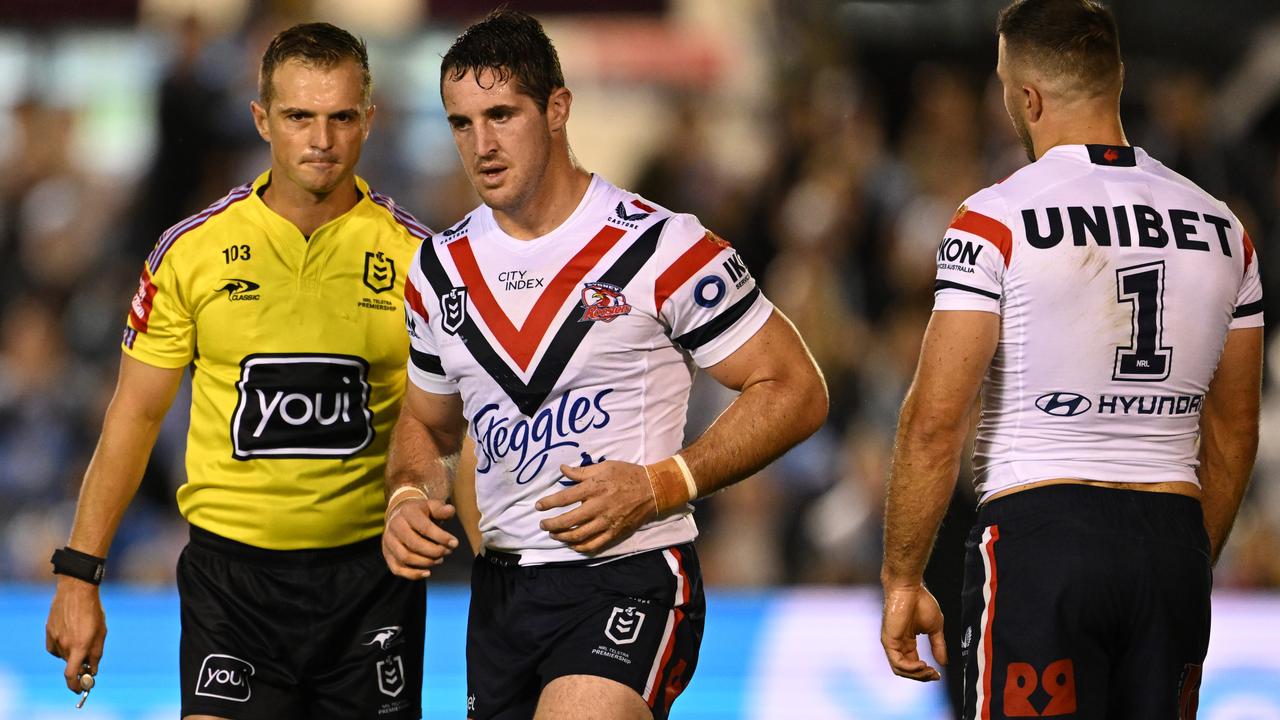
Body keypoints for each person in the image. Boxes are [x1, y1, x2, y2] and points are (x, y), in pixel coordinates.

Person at [378, 10, 828, 720]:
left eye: (502, 114)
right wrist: (407, 493)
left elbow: (795, 387)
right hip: (501, 598)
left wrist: (662, 483)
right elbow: (428, 428)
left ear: (558, 108)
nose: (482, 145)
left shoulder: (663, 245)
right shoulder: (438, 269)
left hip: (631, 576)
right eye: (461, 123)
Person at [880, 0, 1263, 716]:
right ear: (1113, 81)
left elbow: (935, 420)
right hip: (1172, 539)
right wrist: (1184, 562)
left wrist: (903, 578)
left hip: (1041, 535)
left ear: (1026, 97)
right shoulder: (1224, 229)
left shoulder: (995, 219)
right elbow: (1236, 428)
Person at [45, 23, 434, 719]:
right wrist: (80, 574)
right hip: (233, 586)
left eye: (341, 117)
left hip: (372, 581)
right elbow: (133, 415)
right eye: (298, 117)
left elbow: (447, 421)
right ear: (262, 120)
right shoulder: (190, 253)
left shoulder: (421, 261)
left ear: (368, 121)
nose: (321, 140)